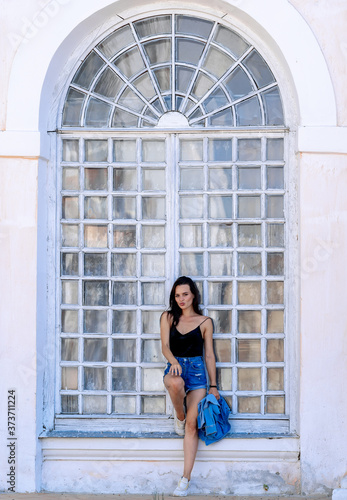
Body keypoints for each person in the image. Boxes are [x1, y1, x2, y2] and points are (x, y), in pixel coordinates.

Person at [160, 276, 220, 497]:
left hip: (197, 375)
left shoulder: (205, 322)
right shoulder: (168, 317)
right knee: (175, 383)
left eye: (185, 294)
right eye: (177, 295)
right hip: (175, 369)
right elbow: (165, 347)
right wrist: (174, 361)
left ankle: (185, 479)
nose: (181, 299)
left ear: (193, 294)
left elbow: (210, 355)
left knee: (193, 427)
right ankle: (179, 415)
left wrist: (213, 385)